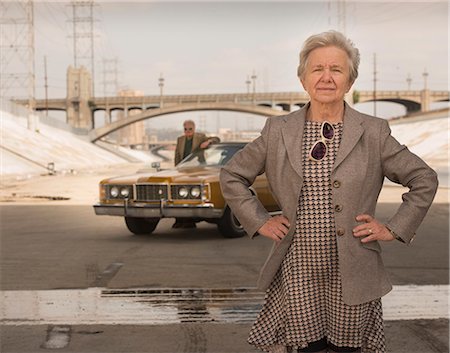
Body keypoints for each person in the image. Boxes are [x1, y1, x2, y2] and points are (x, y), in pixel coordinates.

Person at [220, 31, 438, 353]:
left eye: (336, 70)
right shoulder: (278, 131)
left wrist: (393, 227)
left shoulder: (373, 132)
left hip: (354, 268)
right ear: (303, 79)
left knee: (347, 348)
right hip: (299, 268)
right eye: (317, 69)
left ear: (349, 81)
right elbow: (232, 175)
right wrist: (260, 220)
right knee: (305, 347)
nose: (326, 77)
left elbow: (423, 178)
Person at [173, 119, 219, 228]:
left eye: (190, 129)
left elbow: (217, 139)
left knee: (191, 195)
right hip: (182, 170)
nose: (187, 131)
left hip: (197, 170)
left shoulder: (200, 137)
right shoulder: (180, 139)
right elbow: (177, 155)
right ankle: (179, 220)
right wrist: (176, 169)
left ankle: (190, 221)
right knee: (177, 193)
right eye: (185, 129)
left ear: (194, 129)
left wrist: (208, 142)